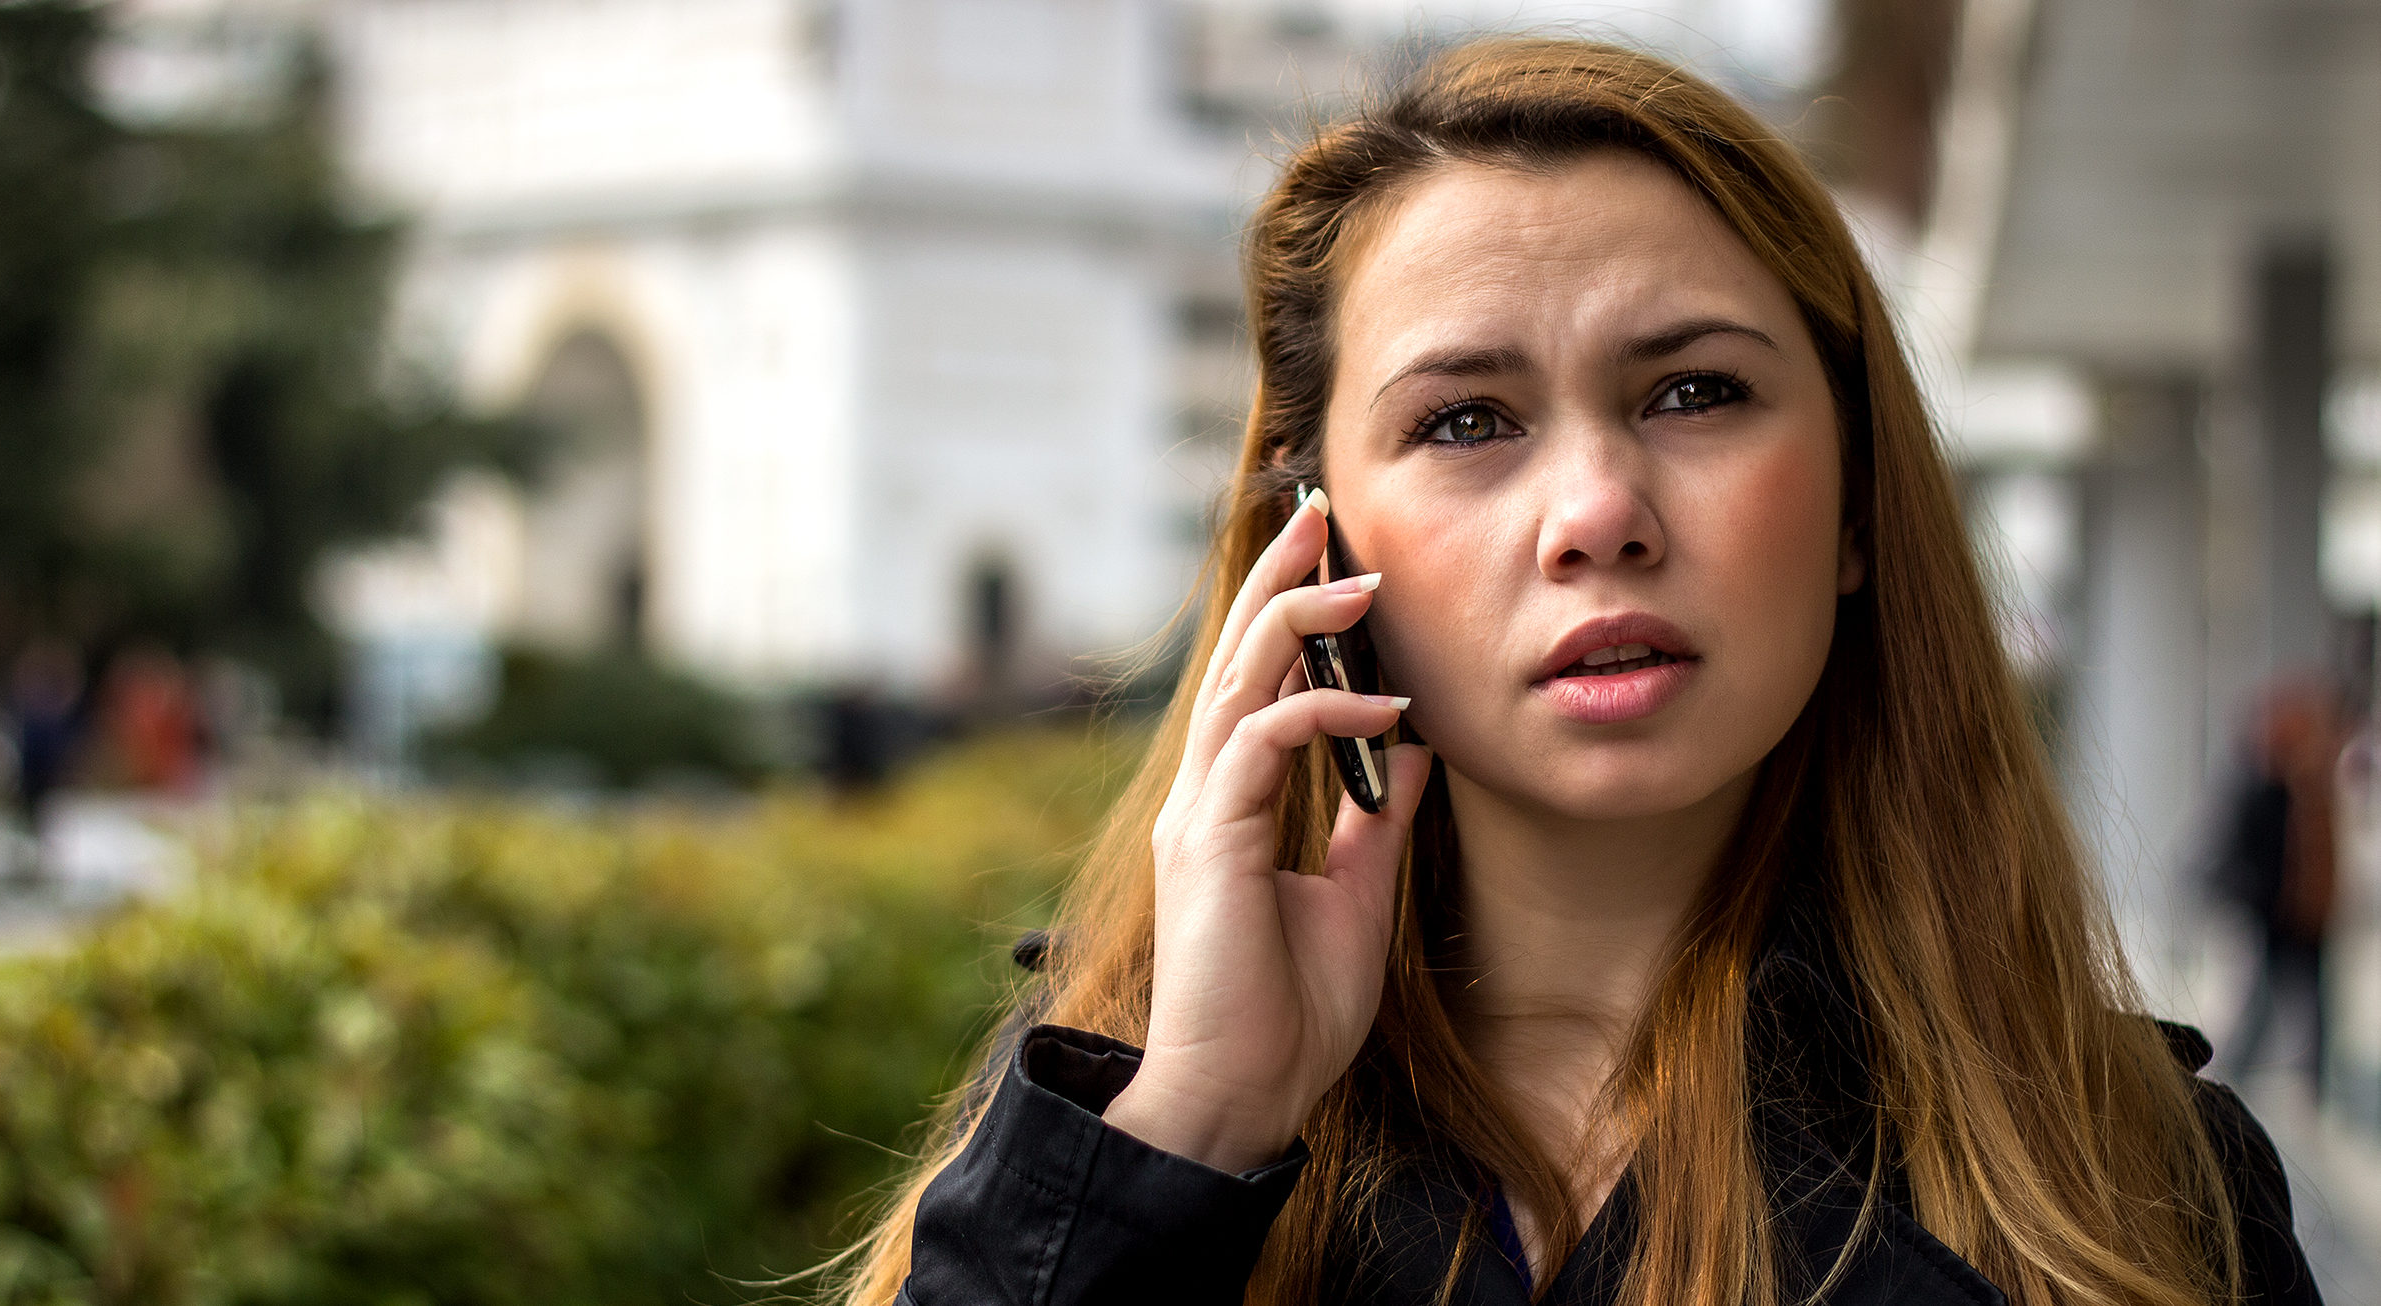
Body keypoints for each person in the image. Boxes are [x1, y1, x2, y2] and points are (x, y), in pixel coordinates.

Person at [834, 38, 2321, 1306]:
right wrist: (1186, 1136)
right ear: (1314, 539)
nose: (1598, 512)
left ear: (1860, 505)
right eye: (1468, 422)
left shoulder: (2136, 1177)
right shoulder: (1108, 1123)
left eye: (1694, 391)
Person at [2210, 678, 2343, 1100]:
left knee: (2303, 1002)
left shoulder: (2307, 789)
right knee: (2265, 1001)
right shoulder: (2265, 788)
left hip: (2304, 915)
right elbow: (2247, 852)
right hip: (2278, 914)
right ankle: (2237, 1073)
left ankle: (2309, 1082)